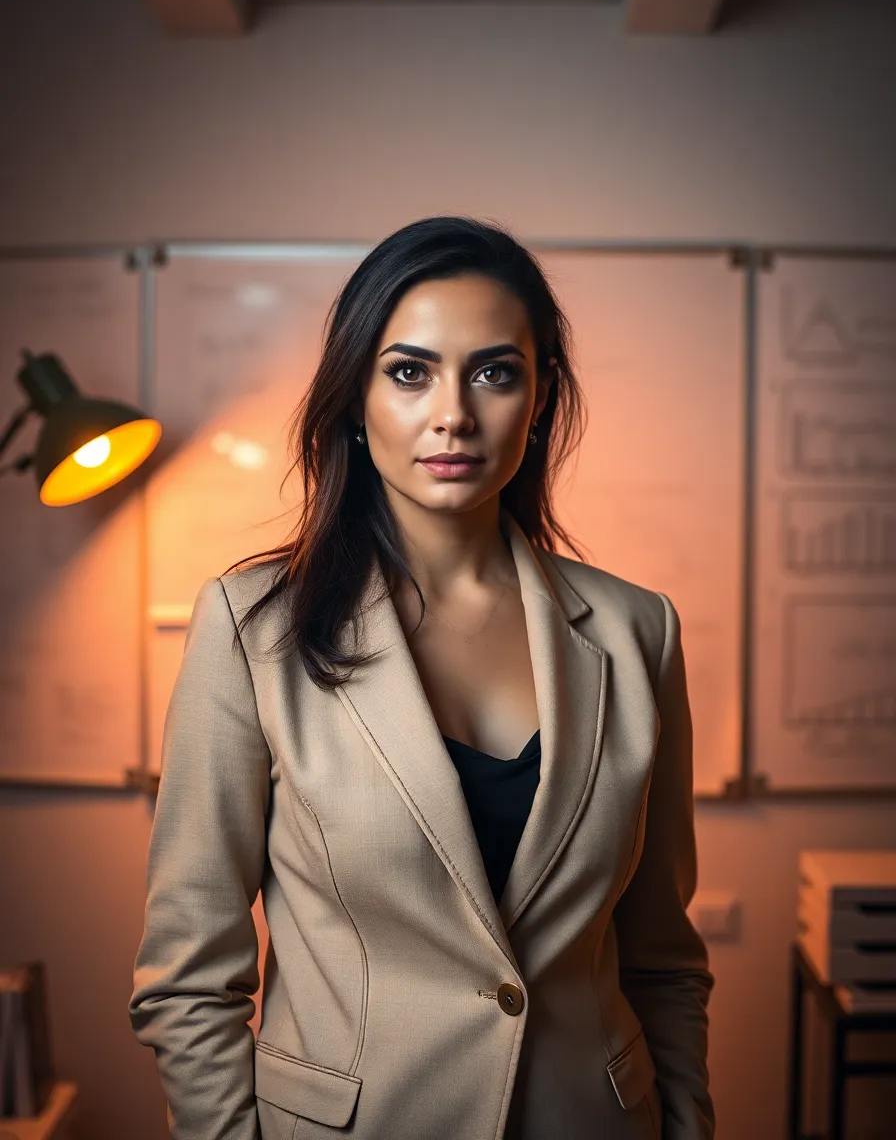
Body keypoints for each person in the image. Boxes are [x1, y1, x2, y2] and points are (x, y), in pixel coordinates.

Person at [128, 215, 715, 1140]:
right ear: (355, 399)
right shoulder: (252, 629)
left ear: (540, 398)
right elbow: (189, 977)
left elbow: (663, 960)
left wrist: (687, 1124)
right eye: (410, 372)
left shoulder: (641, 632)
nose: (454, 414)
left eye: (495, 373)